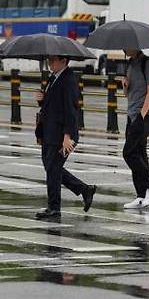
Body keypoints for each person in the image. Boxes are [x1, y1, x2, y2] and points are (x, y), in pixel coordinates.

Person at [34, 55, 96, 219]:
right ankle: (84, 189)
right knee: (51, 168)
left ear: (63, 61)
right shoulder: (53, 77)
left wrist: (67, 136)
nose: (50, 63)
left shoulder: (68, 80)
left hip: (62, 135)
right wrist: (42, 99)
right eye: (49, 60)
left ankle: (54, 208)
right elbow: (53, 105)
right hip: (49, 132)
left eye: (53, 60)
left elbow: (71, 110)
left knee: (53, 169)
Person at [122, 49, 149, 209]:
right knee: (139, 153)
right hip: (132, 114)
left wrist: (142, 115)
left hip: (145, 115)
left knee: (129, 152)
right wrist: (125, 86)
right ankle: (142, 196)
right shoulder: (130, 64)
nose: (124, 48)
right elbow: (128, 94)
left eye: (127, 45)